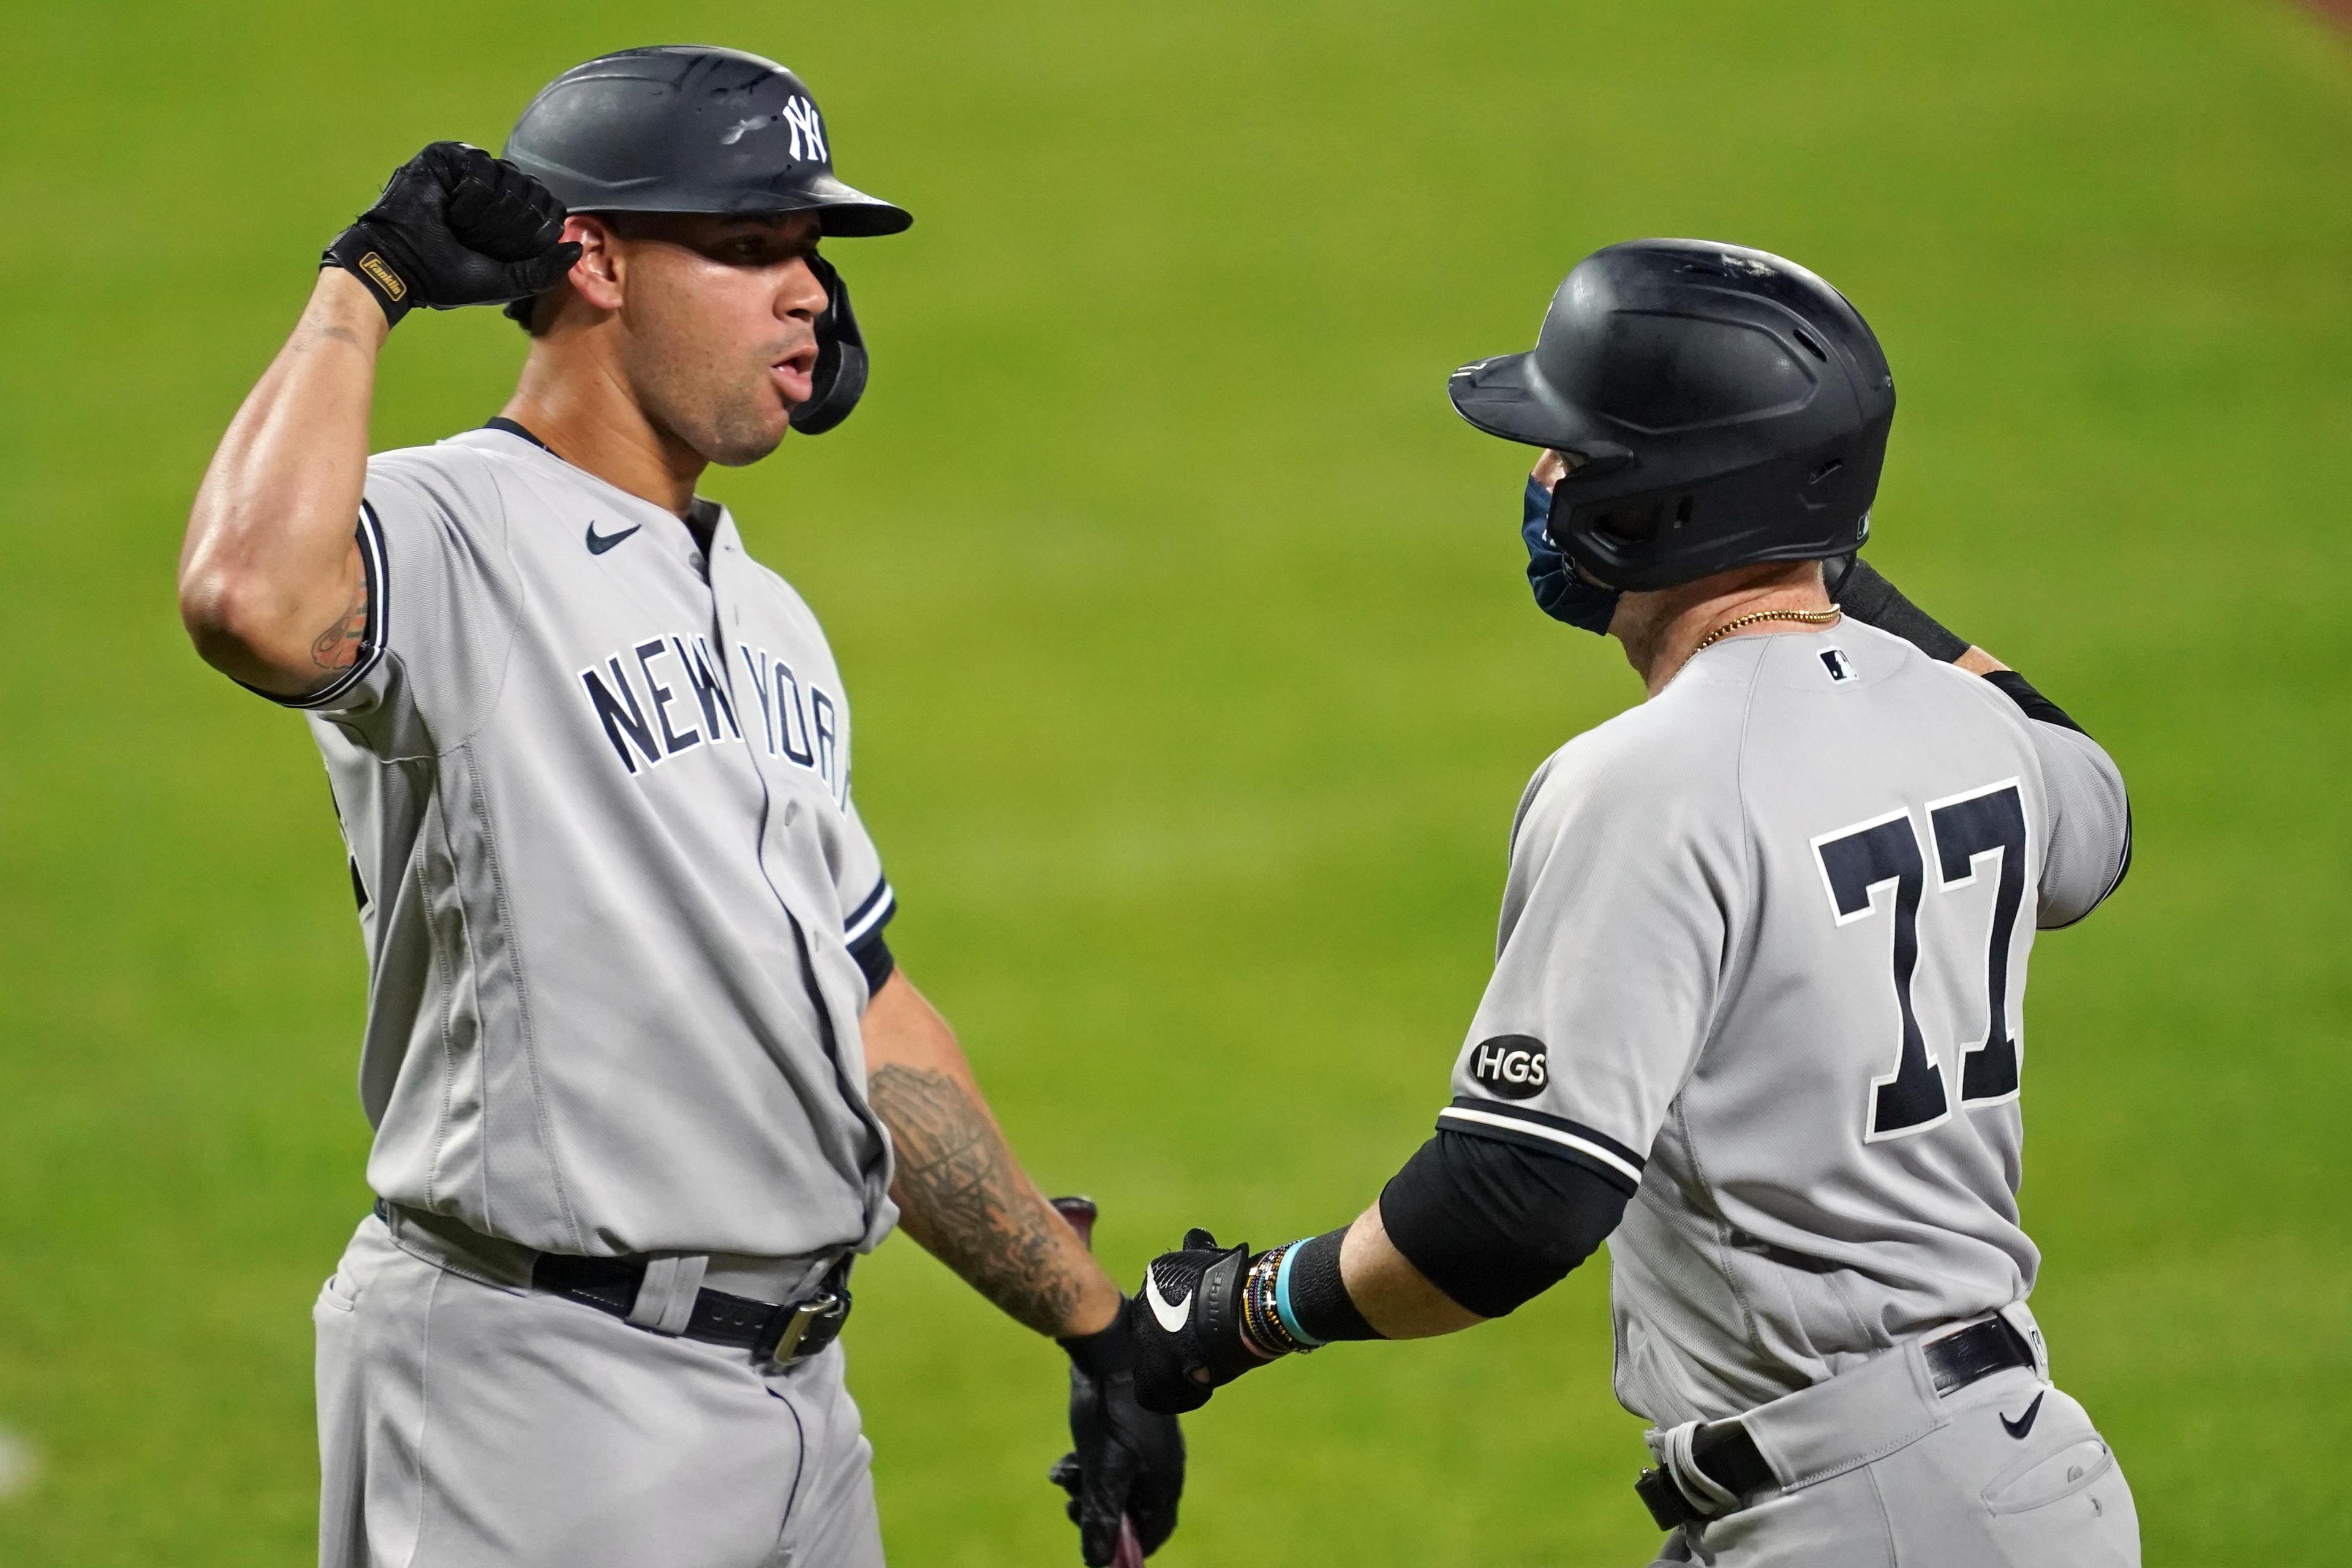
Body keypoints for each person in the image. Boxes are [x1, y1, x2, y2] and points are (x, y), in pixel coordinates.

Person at [176, 45, 1179, 1568]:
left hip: (791, 1404)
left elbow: (866, 1015)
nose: (812, 298)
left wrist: (1092, 1321)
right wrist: (367, 280)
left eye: (812, 258)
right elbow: (248, 600)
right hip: (540, 1394)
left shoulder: (768, 614)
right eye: (750, 247)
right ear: (592, 260)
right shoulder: (453, 527)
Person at [1121, 239, 2139, 1566]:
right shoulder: (1969, 724)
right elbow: (2093, 810)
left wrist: (1243, 1310)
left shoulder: (1650, 781)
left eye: (1574, 453)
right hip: (1992, 1470)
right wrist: (1819, 559)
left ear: (1667, 500)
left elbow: (1510, 1203)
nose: (1543, 479)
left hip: (1863, 1513)